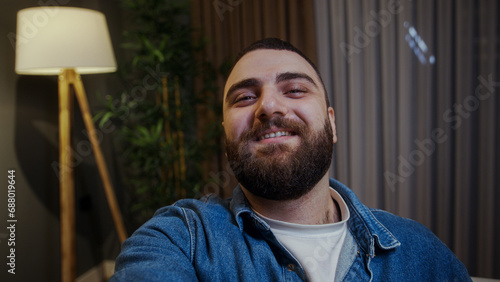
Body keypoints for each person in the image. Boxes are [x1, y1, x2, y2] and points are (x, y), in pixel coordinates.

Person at [110, 38, 470, 281]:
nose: (268, 106)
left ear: (331, 123)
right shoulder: (179, 240)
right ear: (224, 134)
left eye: (295, 90)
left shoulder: (419, 251)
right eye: (245, 98)